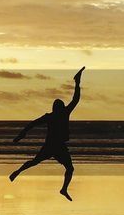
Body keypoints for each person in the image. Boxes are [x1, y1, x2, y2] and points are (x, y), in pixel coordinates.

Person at [8, 66, 83, 200]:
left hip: (53, 146)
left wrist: (22, 134)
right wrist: (77, 82)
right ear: (59, 108)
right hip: (56, 146)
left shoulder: (51, 115)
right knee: (68, 168)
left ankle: (18, 172)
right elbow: (75, 99)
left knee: (37, 162)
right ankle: (63, 189)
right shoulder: (61, 114)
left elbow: (32, 124)